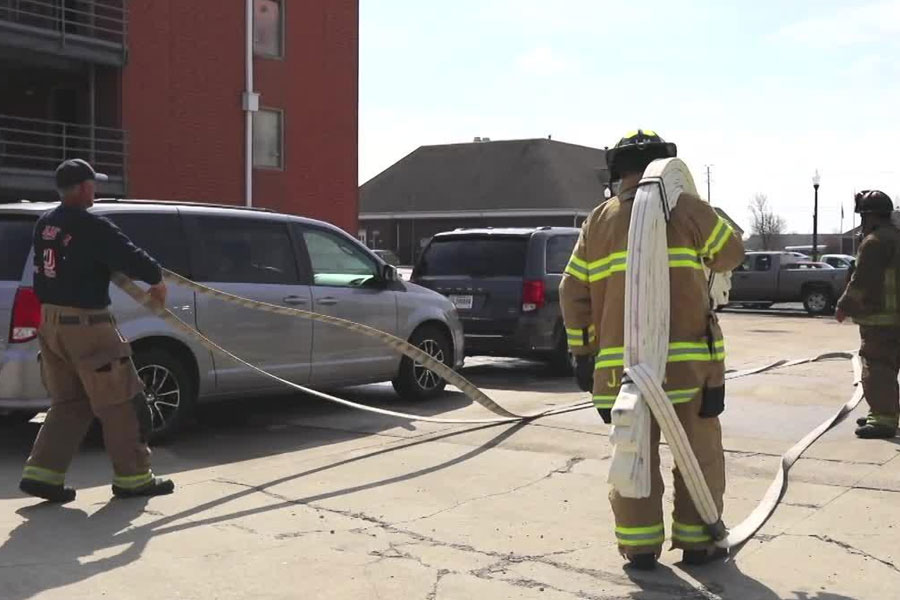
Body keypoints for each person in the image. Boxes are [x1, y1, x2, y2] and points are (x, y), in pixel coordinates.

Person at [560, 130, 744, 570]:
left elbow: (572, 291)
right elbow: (731, 253)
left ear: (617, 171)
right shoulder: (685, 209)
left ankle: (639, 548)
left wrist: (582, 355)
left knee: (632, 457)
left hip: (622, 375)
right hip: (689, 374)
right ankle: (699, 543)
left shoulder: (598, 222)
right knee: (697, 455)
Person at [19, 159, 174, 503]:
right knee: (121, 401)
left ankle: (42, 473)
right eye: (93, 184)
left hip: (51, 325)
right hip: (88, 326)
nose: (96, 190)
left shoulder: (45, 223)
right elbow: (132, 258)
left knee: (69, 402)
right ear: (85, 187)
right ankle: (134, 478)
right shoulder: (92, 226)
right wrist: (156, 281)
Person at [836, 190, 900, 439]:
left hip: (880, 319)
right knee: (891, 365)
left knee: (878, 366)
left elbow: (862, 280)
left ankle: (883, 420)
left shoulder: (874, 242)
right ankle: (886, 411)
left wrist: (844, 306)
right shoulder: (896, 237)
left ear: (869, 215)